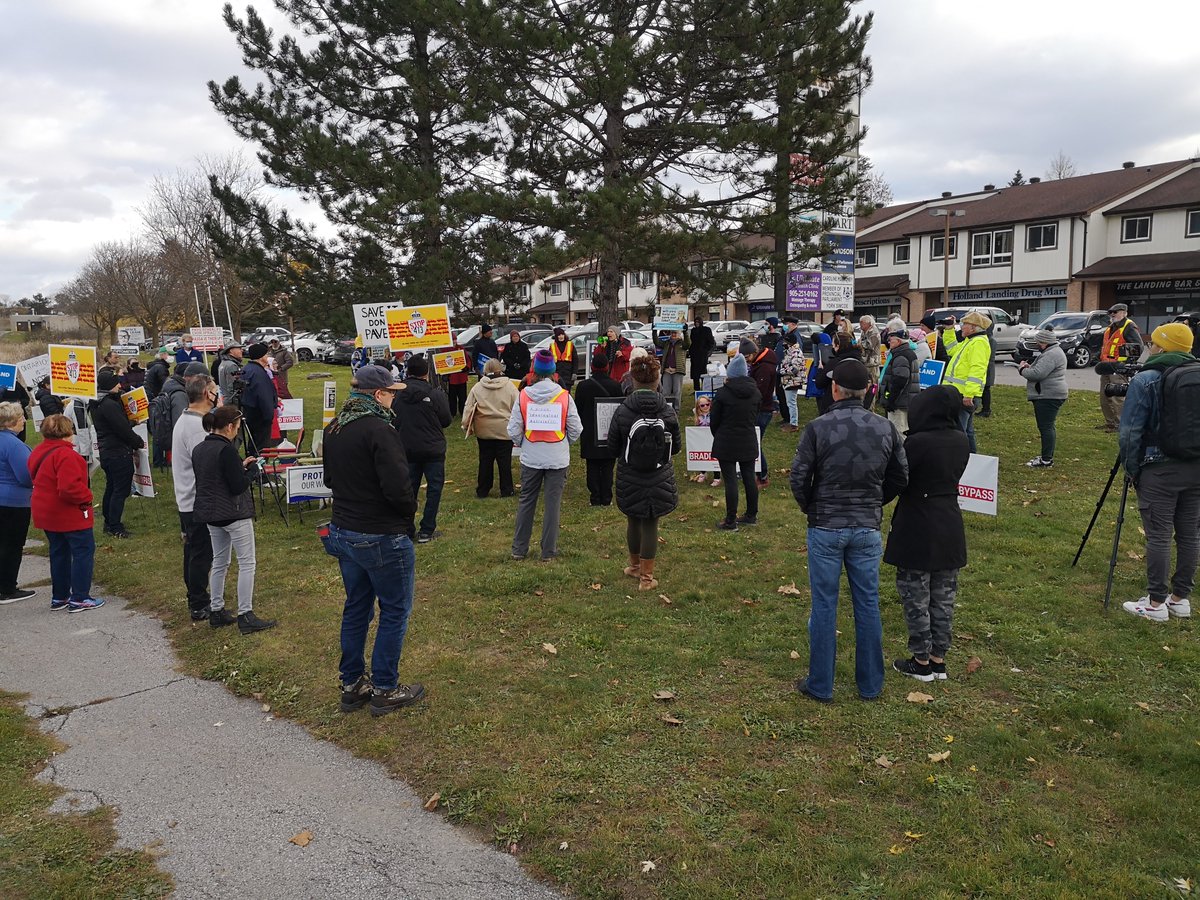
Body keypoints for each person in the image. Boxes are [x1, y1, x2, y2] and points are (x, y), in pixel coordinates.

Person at [789, 358, 908, 702]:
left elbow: (799, 478)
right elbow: (900, 476)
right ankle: (869, 684)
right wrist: (874, 502)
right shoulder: (885, 428)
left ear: (835, 389)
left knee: (825, 605)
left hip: (826, 525)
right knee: (867, 603)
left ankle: (821, 683)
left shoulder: (818, 427)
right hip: (865, 526)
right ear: (870, 391)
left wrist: (812, 506)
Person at [322, 364, 424, 715]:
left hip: (344, 529)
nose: (395, 398)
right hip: (379, 532)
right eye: (392, 392)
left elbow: (329, 477)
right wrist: (408, 515)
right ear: (378, 394)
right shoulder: (380, 429)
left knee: (357, 608)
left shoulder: (335, 427)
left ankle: (352, 683)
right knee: (394, 610)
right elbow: (399, 487)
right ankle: (384, 687)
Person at [883, 385, 970, 682]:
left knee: (916, 594)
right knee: (944, 595)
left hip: (917, 522)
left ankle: (921, 660)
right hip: (949, 520)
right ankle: (938, 658)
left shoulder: (917, 444)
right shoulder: (961, 440)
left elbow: (898, 479)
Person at [1118, 322, 1199, 623]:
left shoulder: (1147, 379)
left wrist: (1132, 469)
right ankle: (1180, 599)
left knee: (1159, 536)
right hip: (1196, 466)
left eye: (1153, 343)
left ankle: (1155, 603)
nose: (1149, 348)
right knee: (1190, 535)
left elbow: (1130, 432)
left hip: (1159, 467)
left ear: (1162, 347)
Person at [191, 405, 275, 634]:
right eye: (237, 428)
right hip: (233, 512)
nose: (237, 432)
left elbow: (216, 475)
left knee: (220, 561)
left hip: (211, 513)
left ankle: (216, 609)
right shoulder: (226, 450)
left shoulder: (200, 448)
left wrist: (240, 467)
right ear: (230, 427)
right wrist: (252, 471)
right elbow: (237, 485)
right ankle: (245, 614)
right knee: (247, 562)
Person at [607, 354, 680, 591]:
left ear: (633, 380)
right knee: (651, 521)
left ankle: (635, 567)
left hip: (630, 471)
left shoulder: (622, 411)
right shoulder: (667, 411)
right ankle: (647, 579)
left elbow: (612, 445)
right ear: (657, 380)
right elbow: (676, 447)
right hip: (659, 472)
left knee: (633, 519)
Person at [507, 349, 583, 561]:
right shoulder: (564, 396)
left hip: (531, 457)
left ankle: (518, 549)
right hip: (557, 458)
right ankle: (548, 551)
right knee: (552, 505)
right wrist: (564, 443)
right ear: (553, 371)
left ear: (535, 371)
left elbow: (512, 429)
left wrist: (524, 443)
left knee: (526, 502)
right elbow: (576, 428)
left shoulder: (523, 395)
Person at [29, 415, 102, 612]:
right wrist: (87, 496)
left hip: (45, 510)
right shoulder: (67, 455)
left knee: (58, 552)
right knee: (83, 551)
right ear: (68, 432)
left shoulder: (38, 451)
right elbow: (69, 488)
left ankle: (60, 596)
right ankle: (80, 597)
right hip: (67, 512)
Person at [172, 375, 218, 622]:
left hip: (189, 498)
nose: (217, 394)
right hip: (196, 499)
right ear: (205, 393)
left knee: (193, 550)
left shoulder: (191, 420)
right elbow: (206, 464)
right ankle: (198, 602)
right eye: (214, 390)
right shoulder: (194, 426)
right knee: (200, 553)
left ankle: (196, 596)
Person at [392, 355, 451, 543]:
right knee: (434, 489)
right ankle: (426, 530)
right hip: (432, 448)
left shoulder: (397, 395)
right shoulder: (435, 394)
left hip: (407, 448)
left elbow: (392, 417)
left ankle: (408, 528)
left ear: (407, 371)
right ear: (426, 372)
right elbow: (446, 420)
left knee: (409, 489)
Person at [89, 371, 144, 539]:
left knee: (111, 487)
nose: (120, 386)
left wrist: (131, 421)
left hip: (107, 451)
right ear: (108, 386)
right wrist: (137, 442)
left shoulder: (97, 403)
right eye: (116, 383)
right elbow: (122, 430)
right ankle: (115, 526)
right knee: (120, 490)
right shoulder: (109, 405)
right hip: (118, 451)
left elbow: (115, 424)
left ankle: (109, 522)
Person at [710, 353, 760, 530]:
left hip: (727, 439)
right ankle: (751, 514)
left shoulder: (722, 394)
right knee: (749, 477)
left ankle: (730, 521)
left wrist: (719, 434)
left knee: (731, 480)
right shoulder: (755, 392)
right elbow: (756, 415)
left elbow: (714, 420)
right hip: (747, 438)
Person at [463, 357, 519, 498]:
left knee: (485, 460)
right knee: (504, 461)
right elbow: (518, 407)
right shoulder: (510, 386)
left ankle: (483, 490)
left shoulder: (477, 387)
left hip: (484, 429)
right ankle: (507, 490)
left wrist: (466, 425)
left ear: (485, 370)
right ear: (500, 369)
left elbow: (468, 407)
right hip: (504, 429)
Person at [573, 350, 623, 506]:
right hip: (609, 431)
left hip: (589, 431)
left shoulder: (583, 386)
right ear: (607, 367)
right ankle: (606, 497)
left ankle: (595, 497)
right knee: (608, 465)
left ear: (592, 367)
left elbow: (577, 409)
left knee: (592, 465)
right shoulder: (615, 386)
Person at [941, 310, 992, 452]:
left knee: (959, 432)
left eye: (965, 324)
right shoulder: (970, 342)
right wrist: (950, 330)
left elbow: (977, 370)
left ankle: (961, 460)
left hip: (963, 396)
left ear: (974, 327)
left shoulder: (978, 343)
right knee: (966, 431)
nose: (962, 327)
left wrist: (969, 394)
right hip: (961, 394)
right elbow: (951, 349)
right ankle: (971, 458)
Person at [1018, 328, 1068, 468]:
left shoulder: (1051, 354)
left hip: (1048, 396)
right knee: (1048, 426)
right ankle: (1047, 456)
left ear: (1044, 342)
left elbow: (1037, 374)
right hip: (1049, 394)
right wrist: (1030, 367)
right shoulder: (1052, 352)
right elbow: (1040, 369)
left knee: (1046, 427)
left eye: (1038, 342)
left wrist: (1022, 369)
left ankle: (1046, 460)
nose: (1037, 345)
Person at [0, 403, 35, 604]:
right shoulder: (14, 445)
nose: (24, 420)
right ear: (12, 421)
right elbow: (26, 476)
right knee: (12, 545)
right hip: (13, 502)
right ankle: (7, 588)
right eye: (22, 417)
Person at [1098, 302, 1143, 433]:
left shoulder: (1129, 327)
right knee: (1105, 396)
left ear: (1124, 313)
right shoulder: (1111, 327)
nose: (1112, 315)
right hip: (1106, 366)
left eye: (1115, 312)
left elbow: (1138, 347)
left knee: (1118, 398)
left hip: (1118, 368)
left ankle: (1121, 424)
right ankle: (1110, 423)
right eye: (1111, 313)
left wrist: (1126, 364)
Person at [880, 328, 920, 434]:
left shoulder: (901, 356)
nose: (889, 342)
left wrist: (891, 400)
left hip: (900, 402)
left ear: (898, 341)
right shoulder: (909, 353)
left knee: (898, 432)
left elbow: (900, 380)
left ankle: (902, 451)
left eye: (891, 339)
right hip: (907, 400)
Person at [240, 343, 278, 456]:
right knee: (261, 447)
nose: (268, 357)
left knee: (253, 444)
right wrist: (268, 416)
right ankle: (260, 471)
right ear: (261, 356)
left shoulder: (246, 369)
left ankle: (253, 467)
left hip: (249, 412)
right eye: (266, 354)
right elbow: (263, 396)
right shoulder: (258, 373)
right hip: (260, 416)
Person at [815, 332, 859, 415]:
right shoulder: (859, 361)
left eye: (833, 345)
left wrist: (820, 370)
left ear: (838, 346)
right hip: (856, 405)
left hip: (834, 404)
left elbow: (820, 383)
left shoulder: (834, 363)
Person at [777, 331, 806, 434]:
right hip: (789, 381)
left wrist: (782, 372)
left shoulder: (796, 352)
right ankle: (792, 422)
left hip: (793, 381)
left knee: (791, 403)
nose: (783, 343)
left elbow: (795, 369)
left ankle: (794, 424)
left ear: (789, 343)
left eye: (785, 342)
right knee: (790, 403)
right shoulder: (790, 351)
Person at [659, 329, 687, 411]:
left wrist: (685, 332)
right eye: (672, 333)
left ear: (679, 334)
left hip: (677, 370)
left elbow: (688, 344)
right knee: (665, 392)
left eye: (675, 333)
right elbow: (657, 342)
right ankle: (665, 410)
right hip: (667, 370)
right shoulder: (667, 343)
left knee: (677, 392)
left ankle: (676, 410)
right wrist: (654, 330)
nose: (673, 334)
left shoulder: (682, 343)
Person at [688, 317, 715, 391]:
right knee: (695, 374)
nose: (696, 323)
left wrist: (707, 351)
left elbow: (711, 342)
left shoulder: (706, 330)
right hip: (694, 355)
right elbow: (691, 342)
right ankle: (696, 389)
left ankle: (705, 388)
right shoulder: (693, 330)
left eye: (698, 322)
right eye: (695, 322)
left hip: (702, 355)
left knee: (703, 372)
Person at [446, 338, 471, 416]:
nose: (454, 342)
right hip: (452, 377)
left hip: (461, 377)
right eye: (453, 340)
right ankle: (452, 412)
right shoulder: (446, 349)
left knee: (462, 396)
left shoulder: (461, 348)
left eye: (455, 340)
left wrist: (467, 367)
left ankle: (462, 411)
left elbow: (467, 360)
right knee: (452, 397)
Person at [549, 328, 576, 392]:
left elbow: (575, 359)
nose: (561, 336)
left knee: (567, 391)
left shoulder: (570, 344)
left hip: (568, 372)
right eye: (559, 335)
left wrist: (574, 372)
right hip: (557, 372)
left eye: (562, 334)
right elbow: (549, 361)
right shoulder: (552, 346)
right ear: (556, 336)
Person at [859, 315, 882, 388]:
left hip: (872, 362)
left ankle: (874, 397)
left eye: (862, 323)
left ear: (868, 323)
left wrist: (860, 343)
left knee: (873, 382)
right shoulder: (864, 332)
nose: (860, 325)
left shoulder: (874, 332)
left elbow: (870, 345)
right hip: (865, 361)